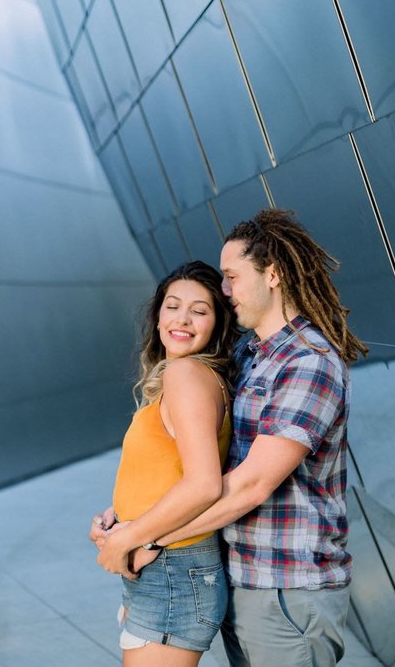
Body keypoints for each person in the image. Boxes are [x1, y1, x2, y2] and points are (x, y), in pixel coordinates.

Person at [96, 210, 367, 667]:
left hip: (285, 586)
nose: (224, 290)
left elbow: (251, 484)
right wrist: (126, 519)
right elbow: (193, 456)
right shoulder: (250, 352)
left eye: (232, 277)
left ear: (274, 275)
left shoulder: (308, 362)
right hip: (243, 575)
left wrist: (147, 539)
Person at [91, 260, 238, 665]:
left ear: (217, 325)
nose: (183, 319)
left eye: (200, 310)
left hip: (172, 569)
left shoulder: (187, 375)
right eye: (173, 306)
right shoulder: (182, 377)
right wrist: (117, 520)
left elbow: (205, 484)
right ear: (157, 316)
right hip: (165, 569)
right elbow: (164, 473)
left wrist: (130, 535)